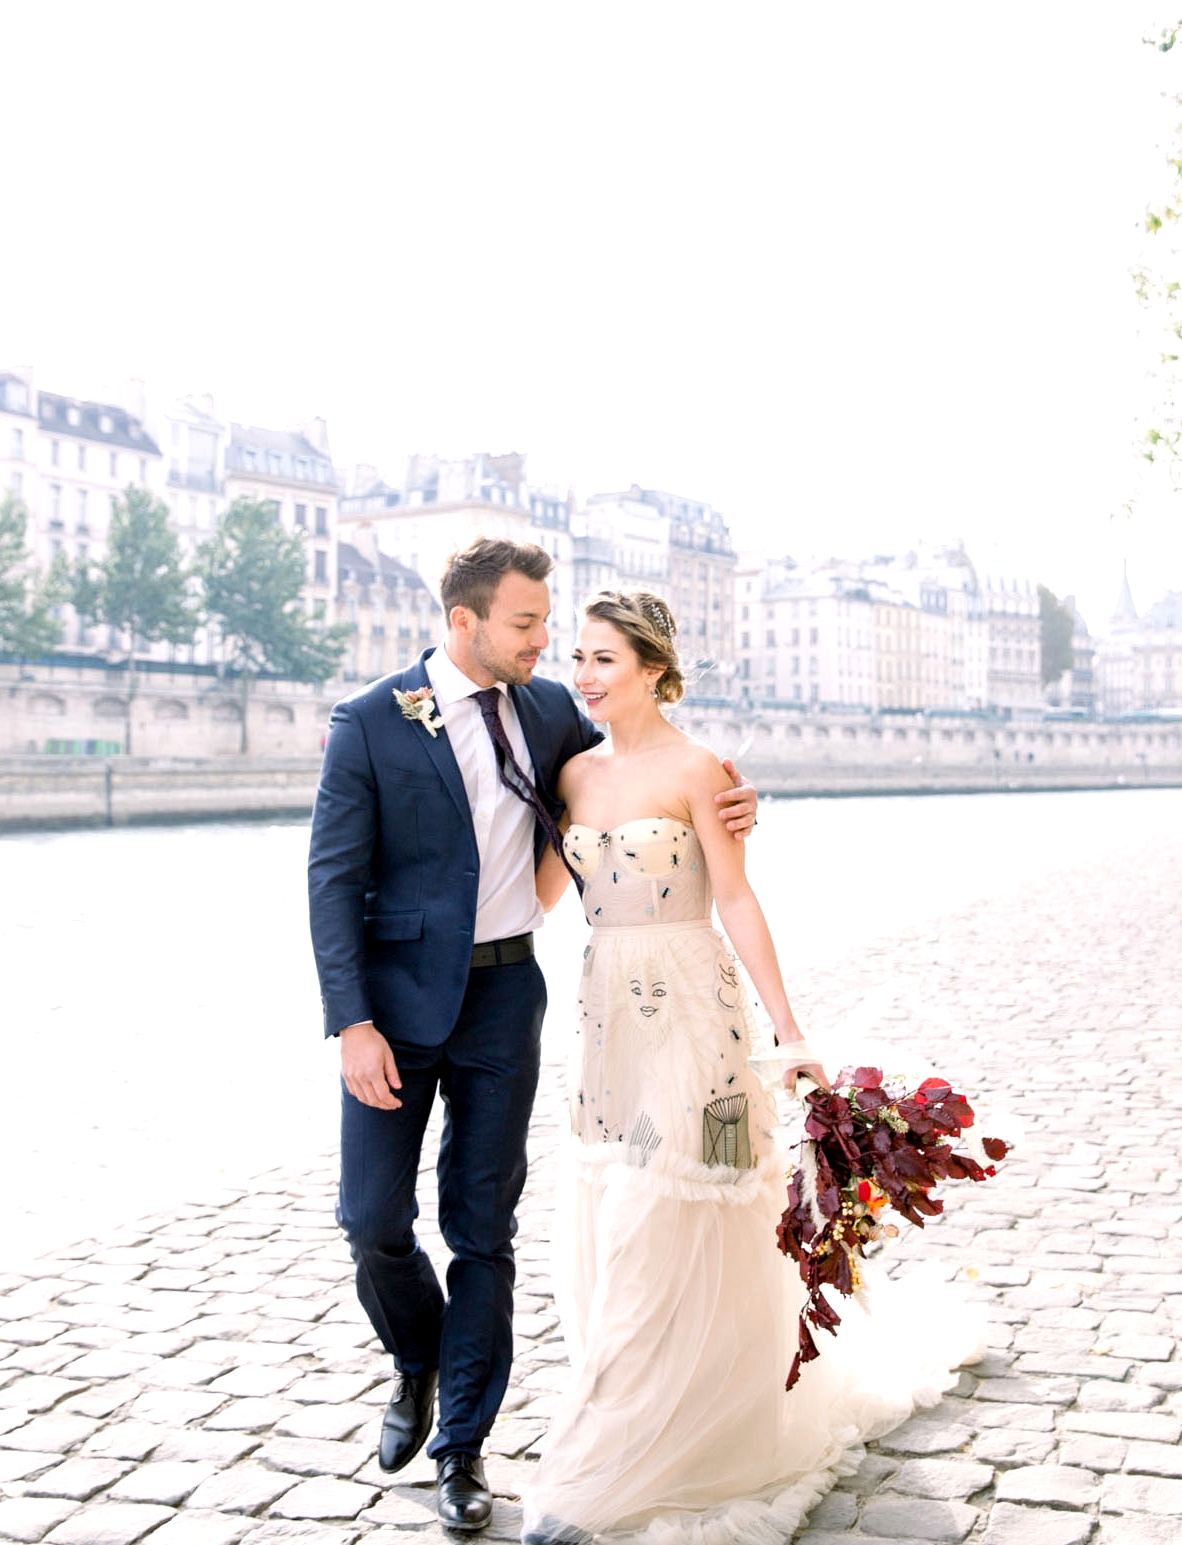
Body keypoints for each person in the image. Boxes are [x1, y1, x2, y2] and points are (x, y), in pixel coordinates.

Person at [306, 541, 757, 1535]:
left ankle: (462, 1450)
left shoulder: (549, 707)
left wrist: (736, 801)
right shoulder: (370, 724)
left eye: (551, 627)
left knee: (483, 1229)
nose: (547, 645)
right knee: (369, 1220)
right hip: (391, 1009)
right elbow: (332, 885)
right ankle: (416, 1360)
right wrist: (349, 1022)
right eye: (525, 625)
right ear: (463, 622)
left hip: (508, 997)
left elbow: (643, 772)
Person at [521, 591, 982, 1545]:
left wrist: (791, 1031)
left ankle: (613, 1460)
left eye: (604, 658)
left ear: (653, 667)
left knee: (669, 1213)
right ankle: (638, 1413)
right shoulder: (567, 773)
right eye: (580, 657)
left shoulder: (703, 769)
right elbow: (535, 896)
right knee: (614, 1220)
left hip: (696, 1010)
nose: (586, 674)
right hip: (608, 1016)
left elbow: (736, 898)